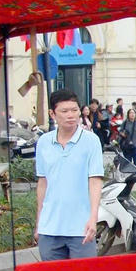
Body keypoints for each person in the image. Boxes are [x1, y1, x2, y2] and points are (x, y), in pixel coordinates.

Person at [34, 89, 104, 261]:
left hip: (81, 229)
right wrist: (39, 222)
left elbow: (95, 181)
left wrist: (93, 218)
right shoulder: (44, 142)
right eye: (64, 111)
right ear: (52, 114)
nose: (70, 115)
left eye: (74, 110)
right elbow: (43, 183)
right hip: (49, 229)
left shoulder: (91, 141)